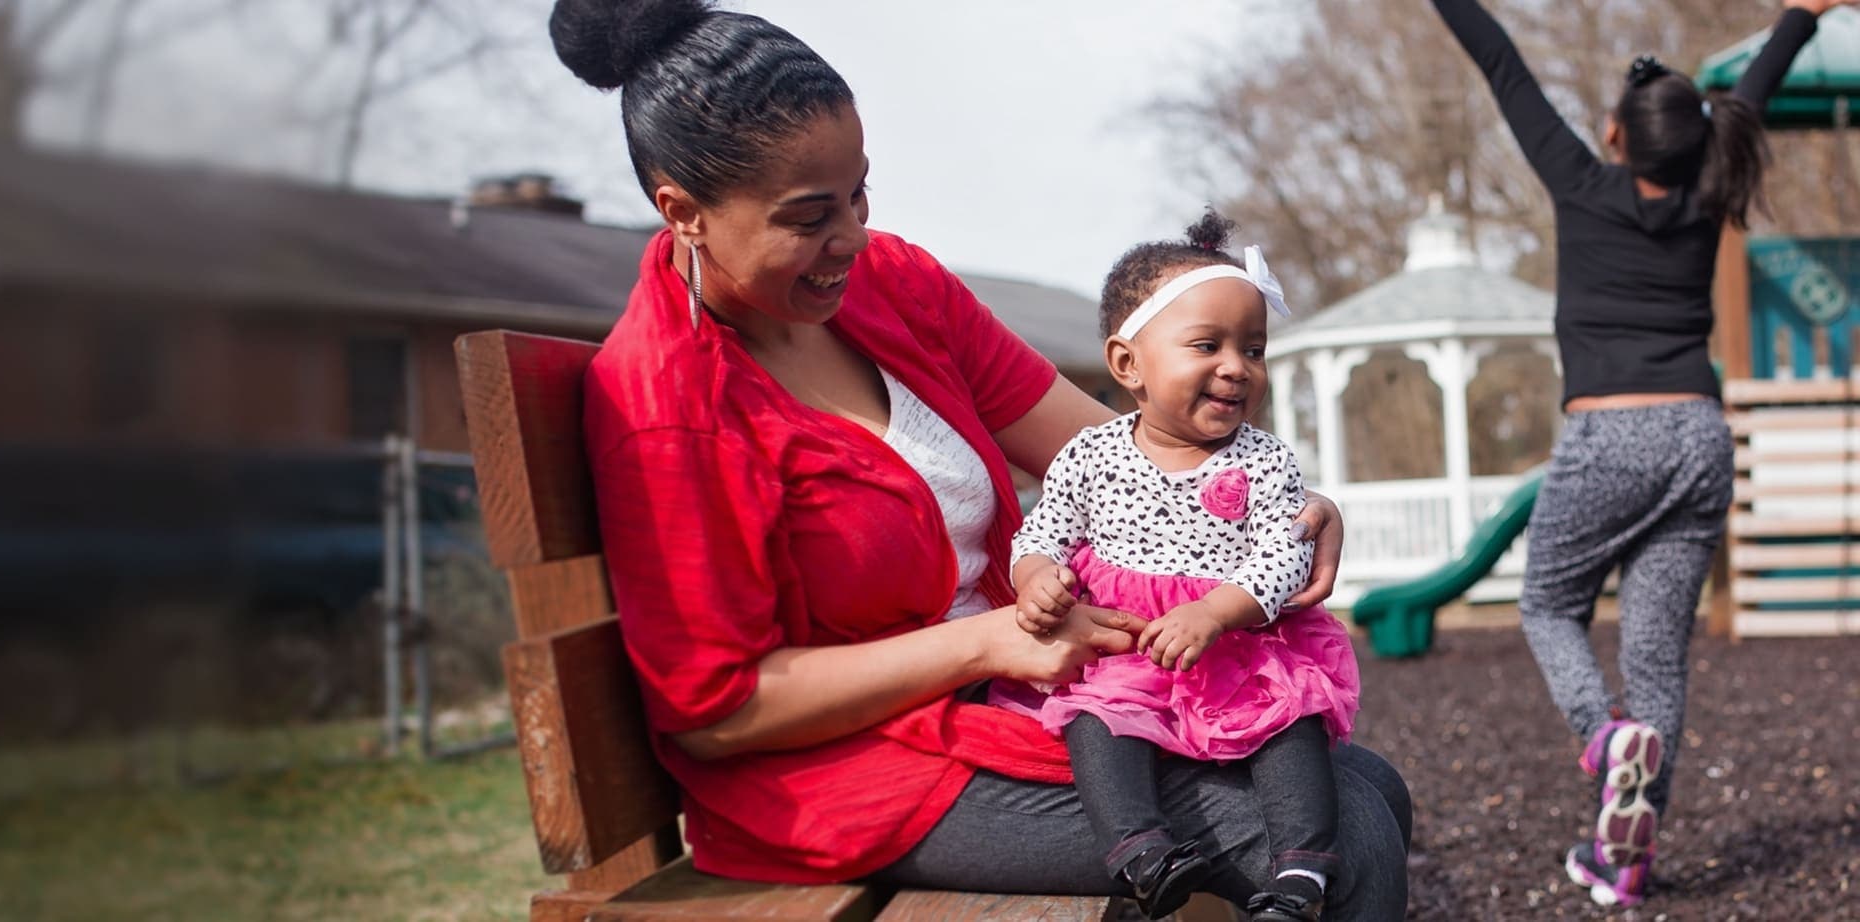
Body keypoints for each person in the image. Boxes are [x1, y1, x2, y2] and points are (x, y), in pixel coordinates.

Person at [554, 0, 1412, 916]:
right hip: (849, 772)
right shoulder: (666, 404)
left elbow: (1130, 447)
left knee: (1365, 783)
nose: (851, 238)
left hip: (1014, 699)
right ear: (681, 210)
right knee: (1344, 831)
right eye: (808, 218)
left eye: (859, 195)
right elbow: (722, 710)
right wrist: (988, 641)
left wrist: (1284, 504)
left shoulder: (895, 284)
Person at [1429, 0, 1852, 908]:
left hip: (1610, 433)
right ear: (1698, 140)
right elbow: (1751, 96)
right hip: (1699, 439)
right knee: (1658, 664)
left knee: (1547, 605)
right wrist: (1799, 16)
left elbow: (1503, 65)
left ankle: (1600, 734)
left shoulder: (1581, 182)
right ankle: (1622, 861)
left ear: (1616, 133)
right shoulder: (1711, 189)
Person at [990, 212, 1361, 921]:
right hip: (1128, 647)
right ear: (1129, 363)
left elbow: (1287, 554)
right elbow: (1042, 530)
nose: (1236, 367)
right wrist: (1036, 577)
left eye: (1252, 349)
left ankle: (1302, 872)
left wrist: (1217, 610)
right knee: (1096, 721)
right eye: (1207, 344)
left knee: (1293, 725)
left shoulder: (1264, 459)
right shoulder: (1091, 456)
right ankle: (1140, 850)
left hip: (1238, 645)